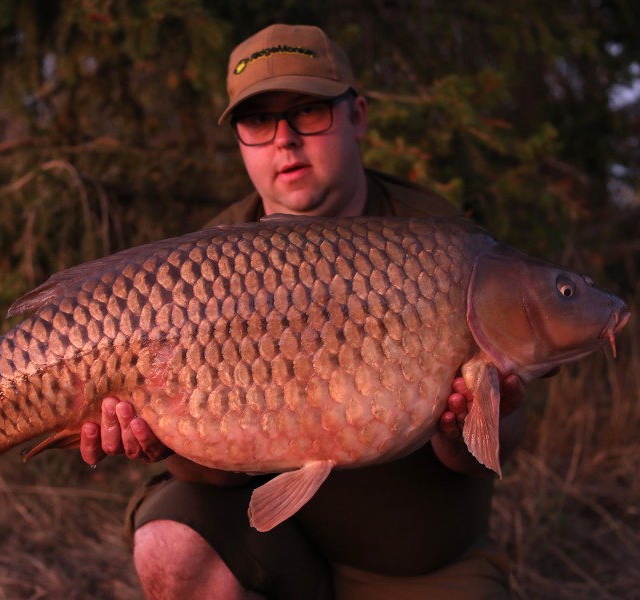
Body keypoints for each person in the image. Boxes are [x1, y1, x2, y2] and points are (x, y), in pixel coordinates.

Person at [81, 24, 527, 600]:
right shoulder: (201, 267)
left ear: (358, 116)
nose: (284, 139)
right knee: (169, 543)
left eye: (309, 110)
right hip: (278, 552)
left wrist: (464, 424)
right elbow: (210, 476)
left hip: (421, 570)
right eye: (258, 121)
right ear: (240, 139)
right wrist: (164, 438)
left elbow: (493, 451)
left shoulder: (440, 243)